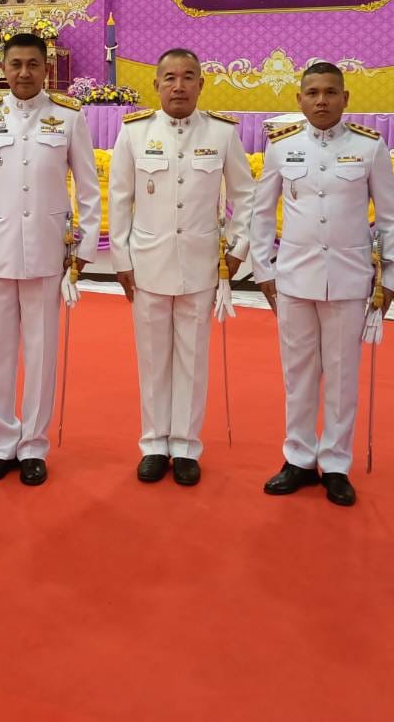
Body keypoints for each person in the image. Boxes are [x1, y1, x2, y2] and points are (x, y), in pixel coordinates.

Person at [0, 32, 100, 485]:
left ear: (46, 68)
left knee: (41, 354)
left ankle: (33, 444)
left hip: (48, 252)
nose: (24, 73)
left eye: (33, 64)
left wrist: (84, 249)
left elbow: (89, 190)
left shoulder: (68, 117)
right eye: (15, 64)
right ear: (2, 68)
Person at [251, 62, 394, 506]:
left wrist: (390, 276)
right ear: (299, 99)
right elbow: (262, 211)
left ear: (345, 98)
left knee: (341, 375)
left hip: (349, 279)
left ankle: (336, 463)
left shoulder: (369, 147)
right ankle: (298, 458)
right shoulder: (282, 146)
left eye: (331, 92)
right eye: (313, 92)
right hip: (294, 278)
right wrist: (263, 269)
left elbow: (390, 217)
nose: (322, 100)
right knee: (297, 374)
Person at [108, 47, 255, 486]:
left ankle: (187, 445)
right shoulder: (134, 132)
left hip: (201, 262)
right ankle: (154, 443)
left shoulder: (222, 134)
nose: (178, 86)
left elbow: (245, 195)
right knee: (153, 358)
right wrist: (121, 258)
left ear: (200, 84)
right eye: (169, 78)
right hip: (148, 261)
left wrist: (238, 247)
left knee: (192, 358)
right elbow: (120, 198)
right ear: (156, 85)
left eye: (188, 77)